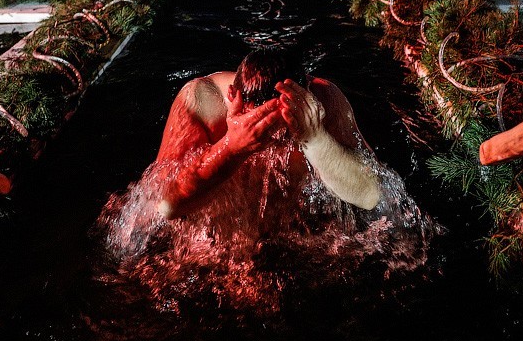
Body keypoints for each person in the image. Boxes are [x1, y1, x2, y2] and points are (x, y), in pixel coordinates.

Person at [155, 48, 381, 220]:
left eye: (285, 129)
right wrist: (231, 148)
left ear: (305, 98)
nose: (271, 139)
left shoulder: (323, 102)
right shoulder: (201, 102)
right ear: (235, 98)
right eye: (259, 122)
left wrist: (316, 138)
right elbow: (165, 206)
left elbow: (371, 196)